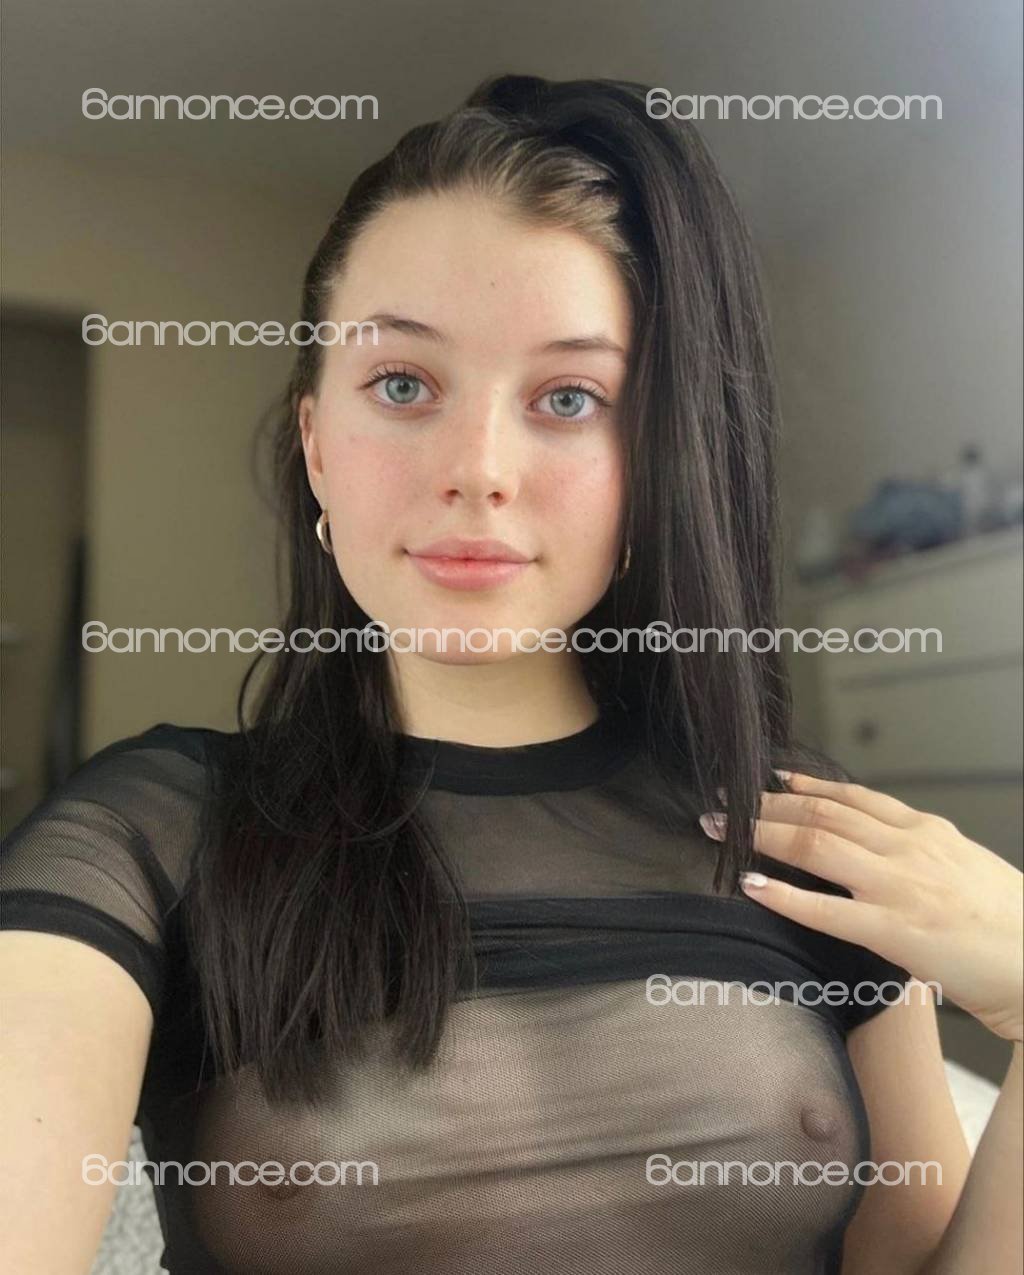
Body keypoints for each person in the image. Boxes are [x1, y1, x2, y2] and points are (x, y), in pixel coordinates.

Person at [2, 73, 1021, 1275]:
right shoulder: (148, 839)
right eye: (402, 384)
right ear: (317, 441)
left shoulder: (797, 829)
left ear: (653, 465)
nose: (478, 468)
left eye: (569, 398)